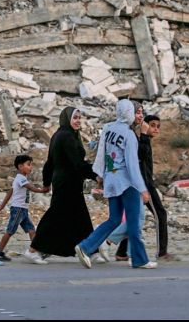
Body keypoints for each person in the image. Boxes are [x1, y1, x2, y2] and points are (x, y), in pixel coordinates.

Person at [75, 99, 157, 269]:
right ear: (129, 113)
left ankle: (85, 247)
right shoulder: (129, 136)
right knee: (134, 223)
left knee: (114, 219)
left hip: (111, 180)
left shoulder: (109, 128)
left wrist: (100, 174)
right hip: (127, 183)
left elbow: (102, 152)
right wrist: (142, 189)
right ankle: (140, 259)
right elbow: (132, 166)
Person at [30, 107, 99, 258]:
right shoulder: (67, 136)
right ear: (67, 119)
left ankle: (90, 251)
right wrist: (96, 175)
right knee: (56, 215)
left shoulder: (58, 135)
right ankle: (34, 250)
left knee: (79, 217)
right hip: (68, 183)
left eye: (79, 118)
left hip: (65, 182)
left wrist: (47, 183)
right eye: (75, 118)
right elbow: (77, 163)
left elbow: (49, 163)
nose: (78, 121)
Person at [114, 114, 179, 262]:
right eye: (153, 125)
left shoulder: (144, 140)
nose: (156, 129)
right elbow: (139, 157)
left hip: (144, 183)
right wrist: (143, 135)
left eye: (158, 126)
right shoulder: (139, 140)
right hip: (143, 185)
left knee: (134, 218)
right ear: (144, 125)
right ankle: (162, 253)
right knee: (160, 214)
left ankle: (122, 252)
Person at [0, 154, 49, 264]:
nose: (31, 167)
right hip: (18, 209)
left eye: (31, 165)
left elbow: (10, 192)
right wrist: (42, 190)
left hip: (23, 210)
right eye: (28, 165)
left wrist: (1, 206)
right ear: (20, 166)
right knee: (10, 231)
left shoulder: (21, 179)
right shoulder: (21, 179)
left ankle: (35, 251)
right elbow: (30, 188)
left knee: (31, 230)